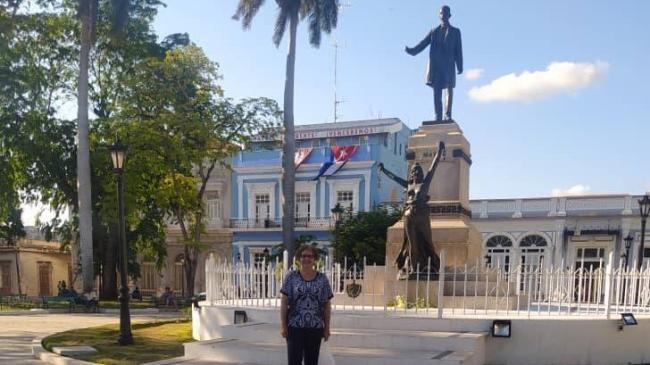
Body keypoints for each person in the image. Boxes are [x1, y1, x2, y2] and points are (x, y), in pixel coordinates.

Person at [378, 141, 446, 274]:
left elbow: (433, 168)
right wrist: (384, 170)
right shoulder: (408, 185)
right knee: (411, 244)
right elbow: (395, 178)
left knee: (428, 242)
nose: (415, 171)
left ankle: (433, 264)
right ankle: (414, 270)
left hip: (422, 214)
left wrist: (439, 151)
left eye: (417, 170)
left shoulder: (424, 184)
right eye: (413, 170)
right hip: (409, 215)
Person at [405, 5, 463, 122]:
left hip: (448, 66)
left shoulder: (455, 32)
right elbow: (423, 43)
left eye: (445, 13)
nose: (443, 16)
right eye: (441, 13)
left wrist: (460, 65)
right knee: (436, 92)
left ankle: (448, 115)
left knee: (449, 90)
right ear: (439, 15)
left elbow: (458, 49)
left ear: (449, 15)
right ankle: (438, 116)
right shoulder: (434, 31)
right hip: (436, 66)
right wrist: (412, 51)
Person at [280, 245, 333, 365]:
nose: (306, 259)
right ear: (299, 258)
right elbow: (284, 302)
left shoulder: (322, 279)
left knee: (312, 361)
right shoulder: (291, 277)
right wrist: (283, 325)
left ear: (314, 259)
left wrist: (327, 327)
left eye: (310, 256)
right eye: (303, 256)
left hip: (315, 327)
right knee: (294, 361)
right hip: (294, 326)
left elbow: (327, 304)